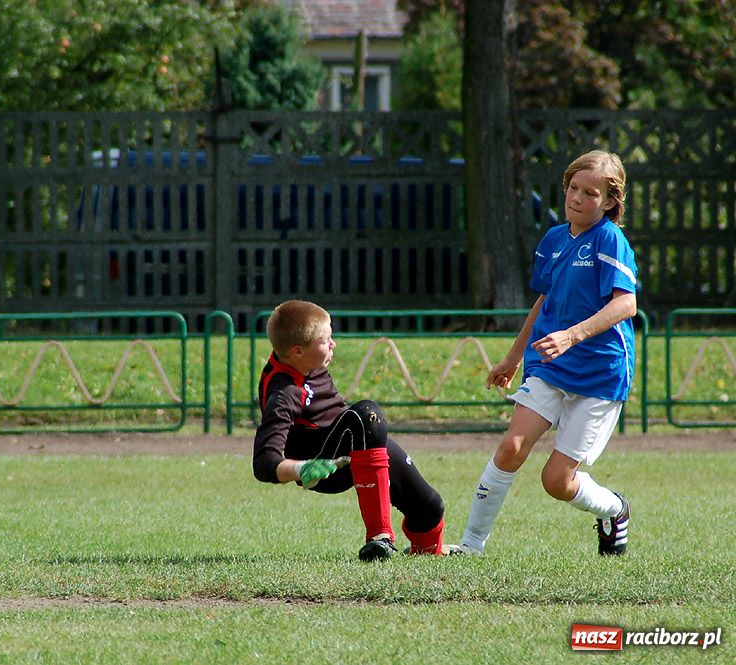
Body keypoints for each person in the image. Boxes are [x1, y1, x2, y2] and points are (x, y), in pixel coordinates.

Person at [458, 149, 637, 556]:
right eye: (573, 188)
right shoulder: (554, 239)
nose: (577, 198)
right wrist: (513, 356)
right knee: (511, 446)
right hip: (550, 364)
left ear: (610, 201)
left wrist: (572, 336)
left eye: (590, 193)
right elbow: (545, 301)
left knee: (556, 481)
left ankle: (615, 509)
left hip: (600, 372)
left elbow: (626, 304)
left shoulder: (610, 238)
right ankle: (470, 547)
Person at [252, 299, 453, 561]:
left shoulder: (306, 362)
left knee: (430, 507)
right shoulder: (284, 392)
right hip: (326, 467)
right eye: (325, 341)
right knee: (367, 414)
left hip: (356, 440)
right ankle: (380, 538)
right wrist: (303, 469)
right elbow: (264, 463)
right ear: (298, 352)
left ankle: (428, 555)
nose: (333, 344)